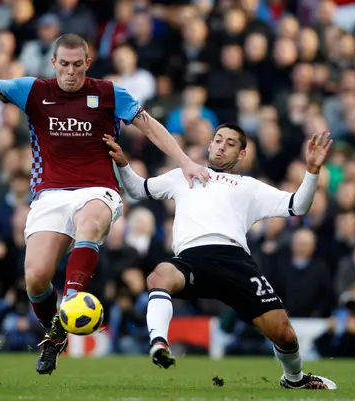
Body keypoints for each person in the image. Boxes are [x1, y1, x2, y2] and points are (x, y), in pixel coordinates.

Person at [0, 33, 209, 375]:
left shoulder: (110, 93)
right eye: (64, 65)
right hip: (50, 194)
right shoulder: (34, 90)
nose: (71, 72)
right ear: (54, 63)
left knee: (90, 222)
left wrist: (185, 161)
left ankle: (71, 300)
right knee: (36, 279)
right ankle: (55, 338)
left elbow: (150, 127)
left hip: (98, 188)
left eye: (77, 65)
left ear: (88, 63)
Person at [104, 125, 338, 390]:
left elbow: (298, 206)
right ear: (209, 145)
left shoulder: (248, 186)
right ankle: (158, 342)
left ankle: (294, 379)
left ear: (242, 153)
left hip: (234, 260)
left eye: (229, 143)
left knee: (284, 334)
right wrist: (123, 164)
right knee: (159, 275)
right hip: (192, 257)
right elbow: (137, 189)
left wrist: (312, 171)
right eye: (217, 140)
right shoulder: (183, 175)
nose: (221, 146)